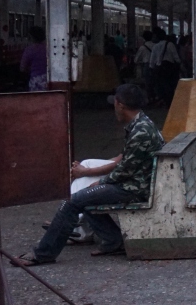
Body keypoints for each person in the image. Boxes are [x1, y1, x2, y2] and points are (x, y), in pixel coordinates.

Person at [16, 84, 163, 265]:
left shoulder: (141, 131)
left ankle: (43, 253)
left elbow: (126, 170)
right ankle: (113, 241)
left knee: (72, 202)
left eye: (115, 103)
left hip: (134, 188)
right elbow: (127, 162)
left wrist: (102, 182)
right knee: (85, 198)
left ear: (120, 105)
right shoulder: (142, 123)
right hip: (139, 182)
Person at [18, 26, 47, 91]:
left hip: (35, 80)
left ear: (31, 37)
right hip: (49, 79)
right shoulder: (49, 48)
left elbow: (22, 68)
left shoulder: (29, 50)